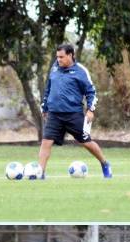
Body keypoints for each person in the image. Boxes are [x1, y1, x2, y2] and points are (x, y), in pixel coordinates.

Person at [39, 43, 111, 178]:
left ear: (70, 55)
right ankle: (40, 172)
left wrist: (90, 110)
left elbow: (91, 92)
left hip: (73, 114)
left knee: (86, 142)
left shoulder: (80, 71)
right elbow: (48, 89)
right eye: (57, 57)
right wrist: (45, 107)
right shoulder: (54, 68)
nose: (58, 60)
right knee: (46, 142)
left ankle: (105, 163)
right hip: (54, 114)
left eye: (61, 57)